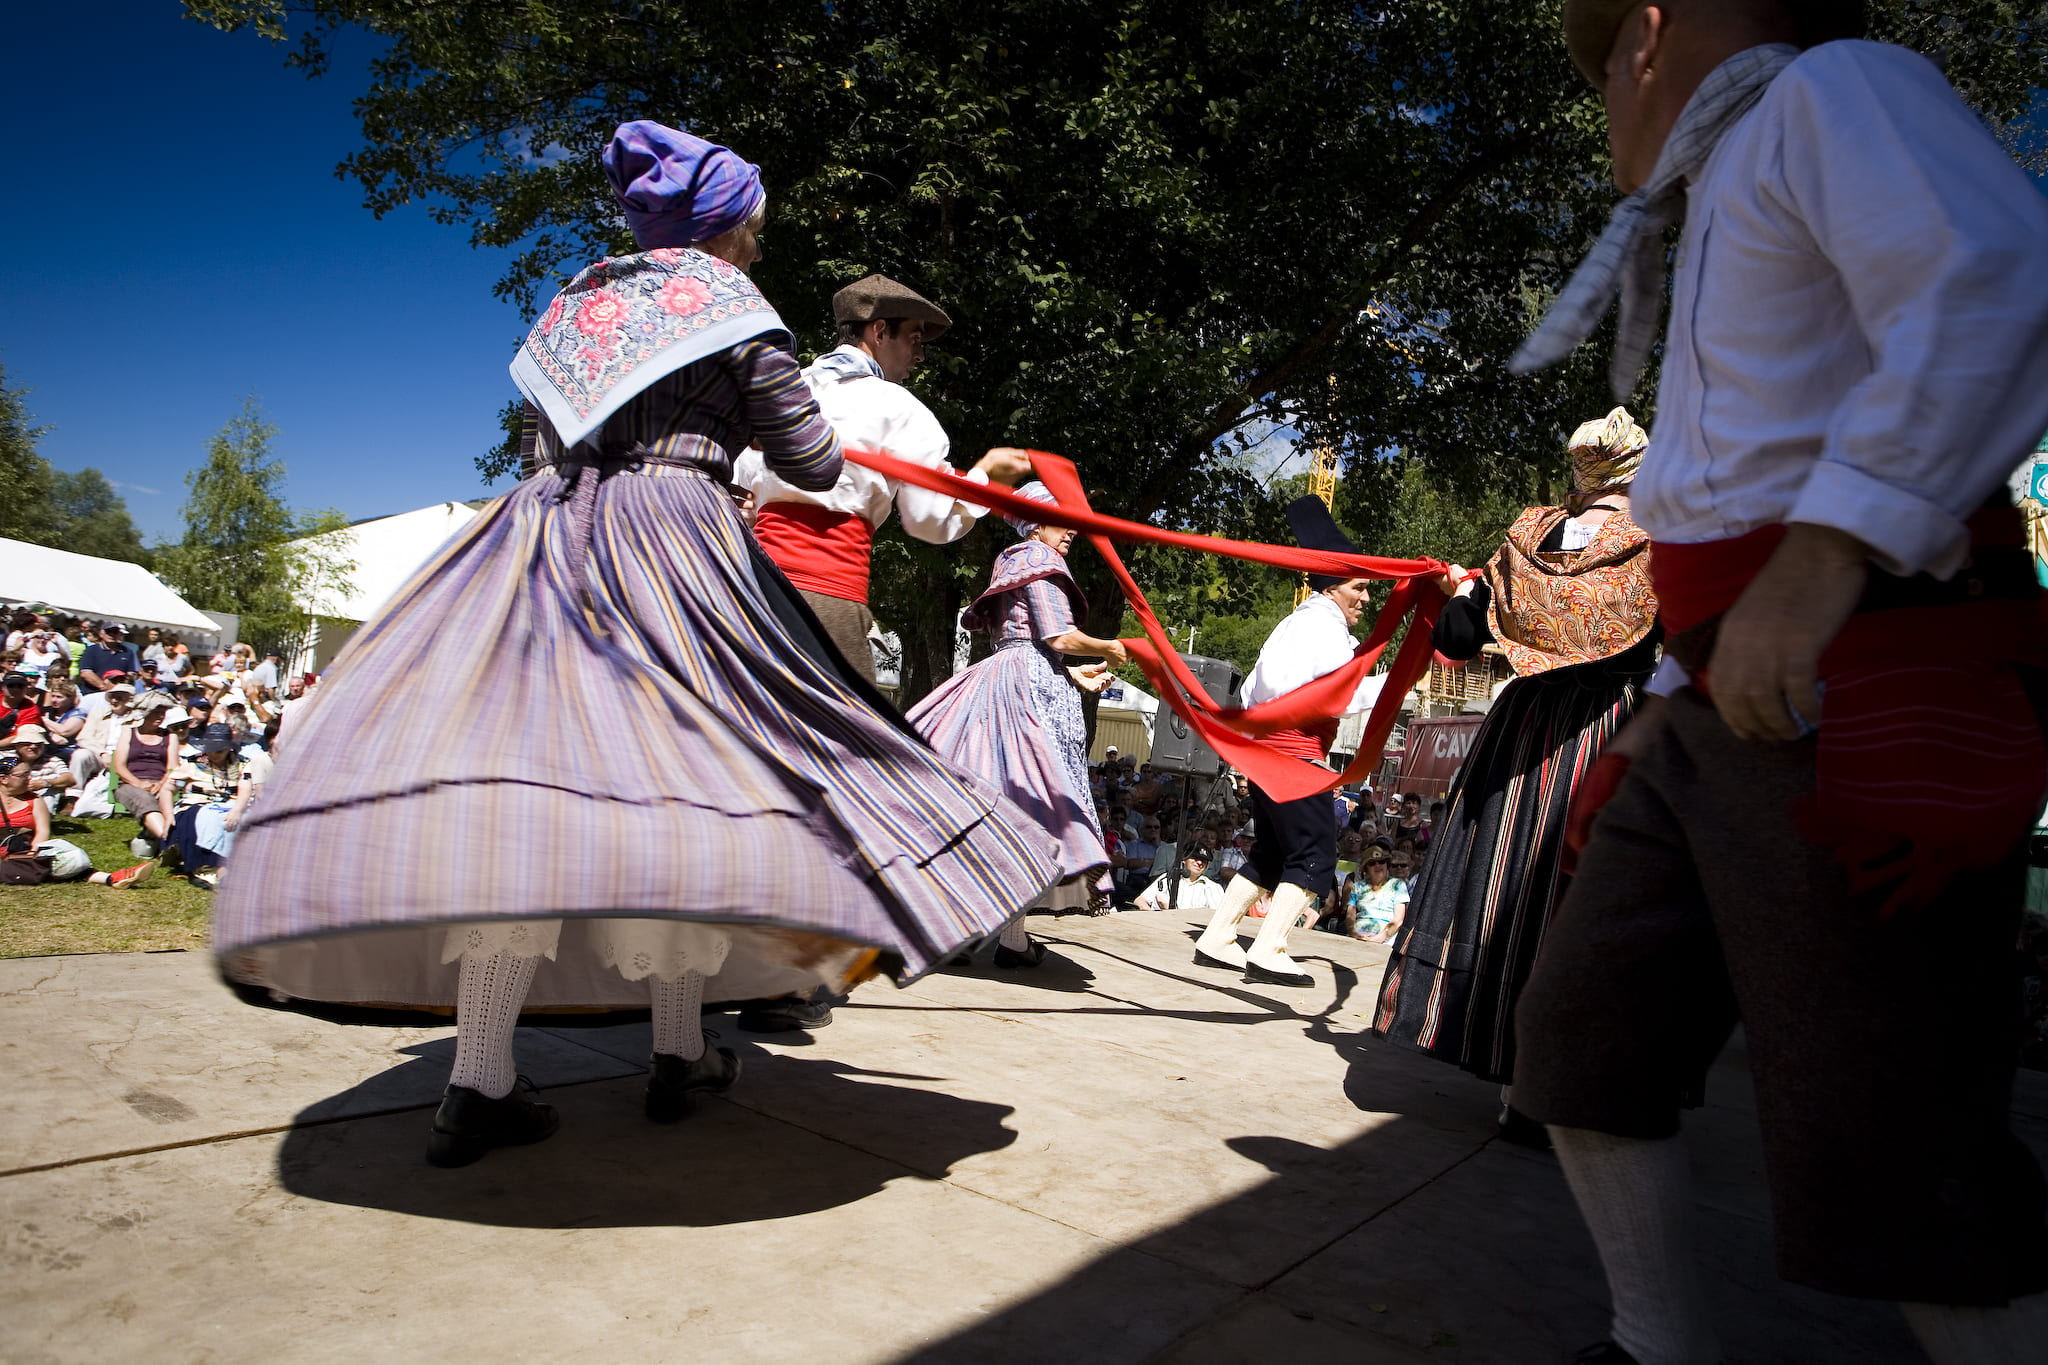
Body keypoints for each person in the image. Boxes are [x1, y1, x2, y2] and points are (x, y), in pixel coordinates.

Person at [212, 121, 1060, 1168]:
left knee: (534, 801)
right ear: (727, 223)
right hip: (674, 547)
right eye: (753, 221)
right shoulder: (733, 309)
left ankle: (480, 1077)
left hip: (547, 541)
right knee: (688, 794)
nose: (759, 239)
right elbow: (805, 450)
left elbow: (539, 441)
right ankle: (673, 1050)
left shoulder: (579, 303)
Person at [1504, 5, 2048, 1364]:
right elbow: (1724, 487)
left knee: (1891, 1117)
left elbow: (1998, 279)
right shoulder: (1740, 173)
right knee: (1583, 1032)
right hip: (1720, 688)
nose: (1609, 118)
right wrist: (1673, 694)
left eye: (1599, 82)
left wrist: (1823, 560)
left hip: (1853, 666)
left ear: (1646, 33)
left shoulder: (1834, 90)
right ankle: (1652, 1349)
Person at [1374, 407, 1660, 1126]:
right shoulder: (1659, 547)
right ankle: (1544, 1086)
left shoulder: (1524, 537)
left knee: (1502, 889)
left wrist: (1469, 588)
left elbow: (1459, 639)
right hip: (1602, 734)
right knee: (1572, 897)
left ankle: (1491, 1051)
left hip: (1519, 732)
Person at [735, 276, 1032, 681]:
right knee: (850, 737)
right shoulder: (896, 406)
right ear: (878, 331)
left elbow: (739, 492)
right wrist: (985, 476)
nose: (920, 354)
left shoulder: (787, 391)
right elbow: (931, 520)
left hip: (748, 592)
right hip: (826, 599)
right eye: (914, 338)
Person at [908, 481, 1125, 964]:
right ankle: (1008, 938)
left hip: (1003, 675)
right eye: (1062, 519)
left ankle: (962, 928)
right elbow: (1058, 635)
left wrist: (1073, 673)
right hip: (1031, 688)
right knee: (1035, 802)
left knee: (996, 798)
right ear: (1037, 520)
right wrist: (1108, 646)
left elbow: (1027, 638)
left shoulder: (1010, 561)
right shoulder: (1043, 562)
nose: (1072, 530)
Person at [1191, 498, 1389, 987]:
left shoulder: (1296, 622)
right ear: (1334, 585)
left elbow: (1257, 688)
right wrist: (1398, 679)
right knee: (1316, 854)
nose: (1366, 599)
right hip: (1294, 754)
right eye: (1360, 588)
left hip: (1266, 753)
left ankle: (1218, 934)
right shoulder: (1324, 627)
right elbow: (1339, 695)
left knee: (1274, 851)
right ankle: (1270, 947)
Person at [0, 751, 153, 889]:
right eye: (23, 775)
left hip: (26, 852)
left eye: (29, 773)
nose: (29, 778)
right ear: (4, 779)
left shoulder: (34, 800)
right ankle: (112, 878)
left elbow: (43, 831)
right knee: (51, 867)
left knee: (67, 860)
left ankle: (111, 878)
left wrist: (32, 852)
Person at [167, 722, 248, 888]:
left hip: (230, 804)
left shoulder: (242, 765)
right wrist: (168, 815)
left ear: (228, 749)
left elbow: (246, 788)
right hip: (197, 803)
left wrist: (238, 809)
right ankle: (203, 867)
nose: (214, 754)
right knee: (202, 818)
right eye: (211, 749)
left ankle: (228, 869)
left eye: (219, 750)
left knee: (237, 820)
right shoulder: (193, 763)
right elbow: (167, 789)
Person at [112, 694, 178, 853]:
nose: (160, 716)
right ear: (145, 713)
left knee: (165, 795)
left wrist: (161, 783)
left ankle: (164, 840)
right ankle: (169, 843)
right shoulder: (129, 733)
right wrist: (139, 783)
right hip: (131, 783)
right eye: (156, 712)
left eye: (163, 712)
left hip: (161, 782)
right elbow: (119, 766)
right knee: (144, 799)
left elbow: (172, 767)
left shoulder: (170, 736)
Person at [1133, 845, 1224, 914]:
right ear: (1184, 859)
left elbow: (1221, 915)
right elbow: (1140, 900)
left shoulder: (1213, 887)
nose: (1199, 862)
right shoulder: (1168, 879)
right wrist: (1152, 917)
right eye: (1195, 858)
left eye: (1204, 860)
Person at [1346, 846, 1408, 944]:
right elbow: (1350, 916)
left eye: (1381, 862)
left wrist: (1381, 937)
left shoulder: (1398, 885)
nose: (1378, 866)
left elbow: (1398, 920)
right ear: (1365, 869)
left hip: (1388, 936)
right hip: (1360, 934)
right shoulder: (1358, 886)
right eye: (1372, 863)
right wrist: (1354, 933)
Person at [76, 623, 138, 695]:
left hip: (117, 695)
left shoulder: (128, 652)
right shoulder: (91, 650)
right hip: (92, 693)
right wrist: (104, 687)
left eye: (115, 632)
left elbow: (130, 674)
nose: (111, 634)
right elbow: (86, 673)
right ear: (101, 634)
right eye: (108, 632)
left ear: (119, 634)